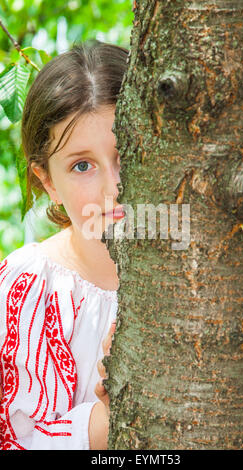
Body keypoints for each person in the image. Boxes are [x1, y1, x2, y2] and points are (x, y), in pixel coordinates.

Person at [0, 40, 128, 450]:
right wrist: (101, 427)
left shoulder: (216, 276)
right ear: (48, 181)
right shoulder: (28, 291)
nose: (115, 186)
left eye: (125, 152)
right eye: (82, 165)